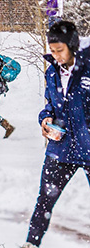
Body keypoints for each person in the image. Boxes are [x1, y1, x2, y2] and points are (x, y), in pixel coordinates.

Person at [24, 21, 90, 248]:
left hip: (89, 146)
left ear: (72, 46)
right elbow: (50, 105)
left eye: (59, 50)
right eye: (52, 50)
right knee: (44, 201)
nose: (56, 55)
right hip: (61, 149)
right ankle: (31, 244)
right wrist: (45, 119)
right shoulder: (52, 72)